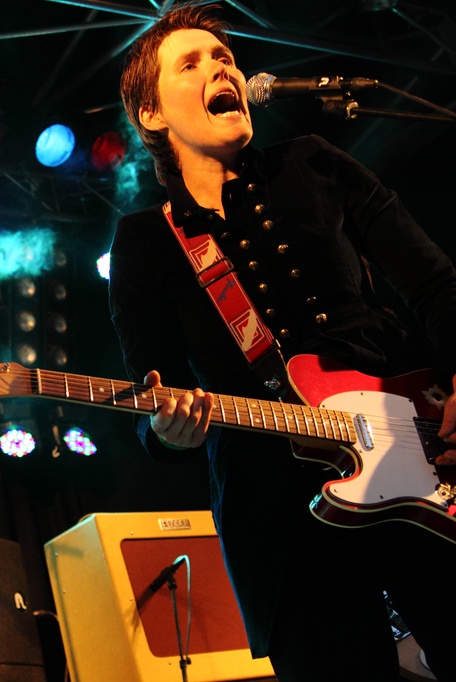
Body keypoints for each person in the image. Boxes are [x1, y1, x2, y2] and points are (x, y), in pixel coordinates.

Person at [110, 4, 456, 681]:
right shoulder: (146, 241)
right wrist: (167, 434)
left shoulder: (315, 164)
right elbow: (152, 395)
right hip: (280, 514)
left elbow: (439, 286)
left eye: (225, 59)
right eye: (193, 63)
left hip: (419, 452)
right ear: (152, 114)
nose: (221, 68)